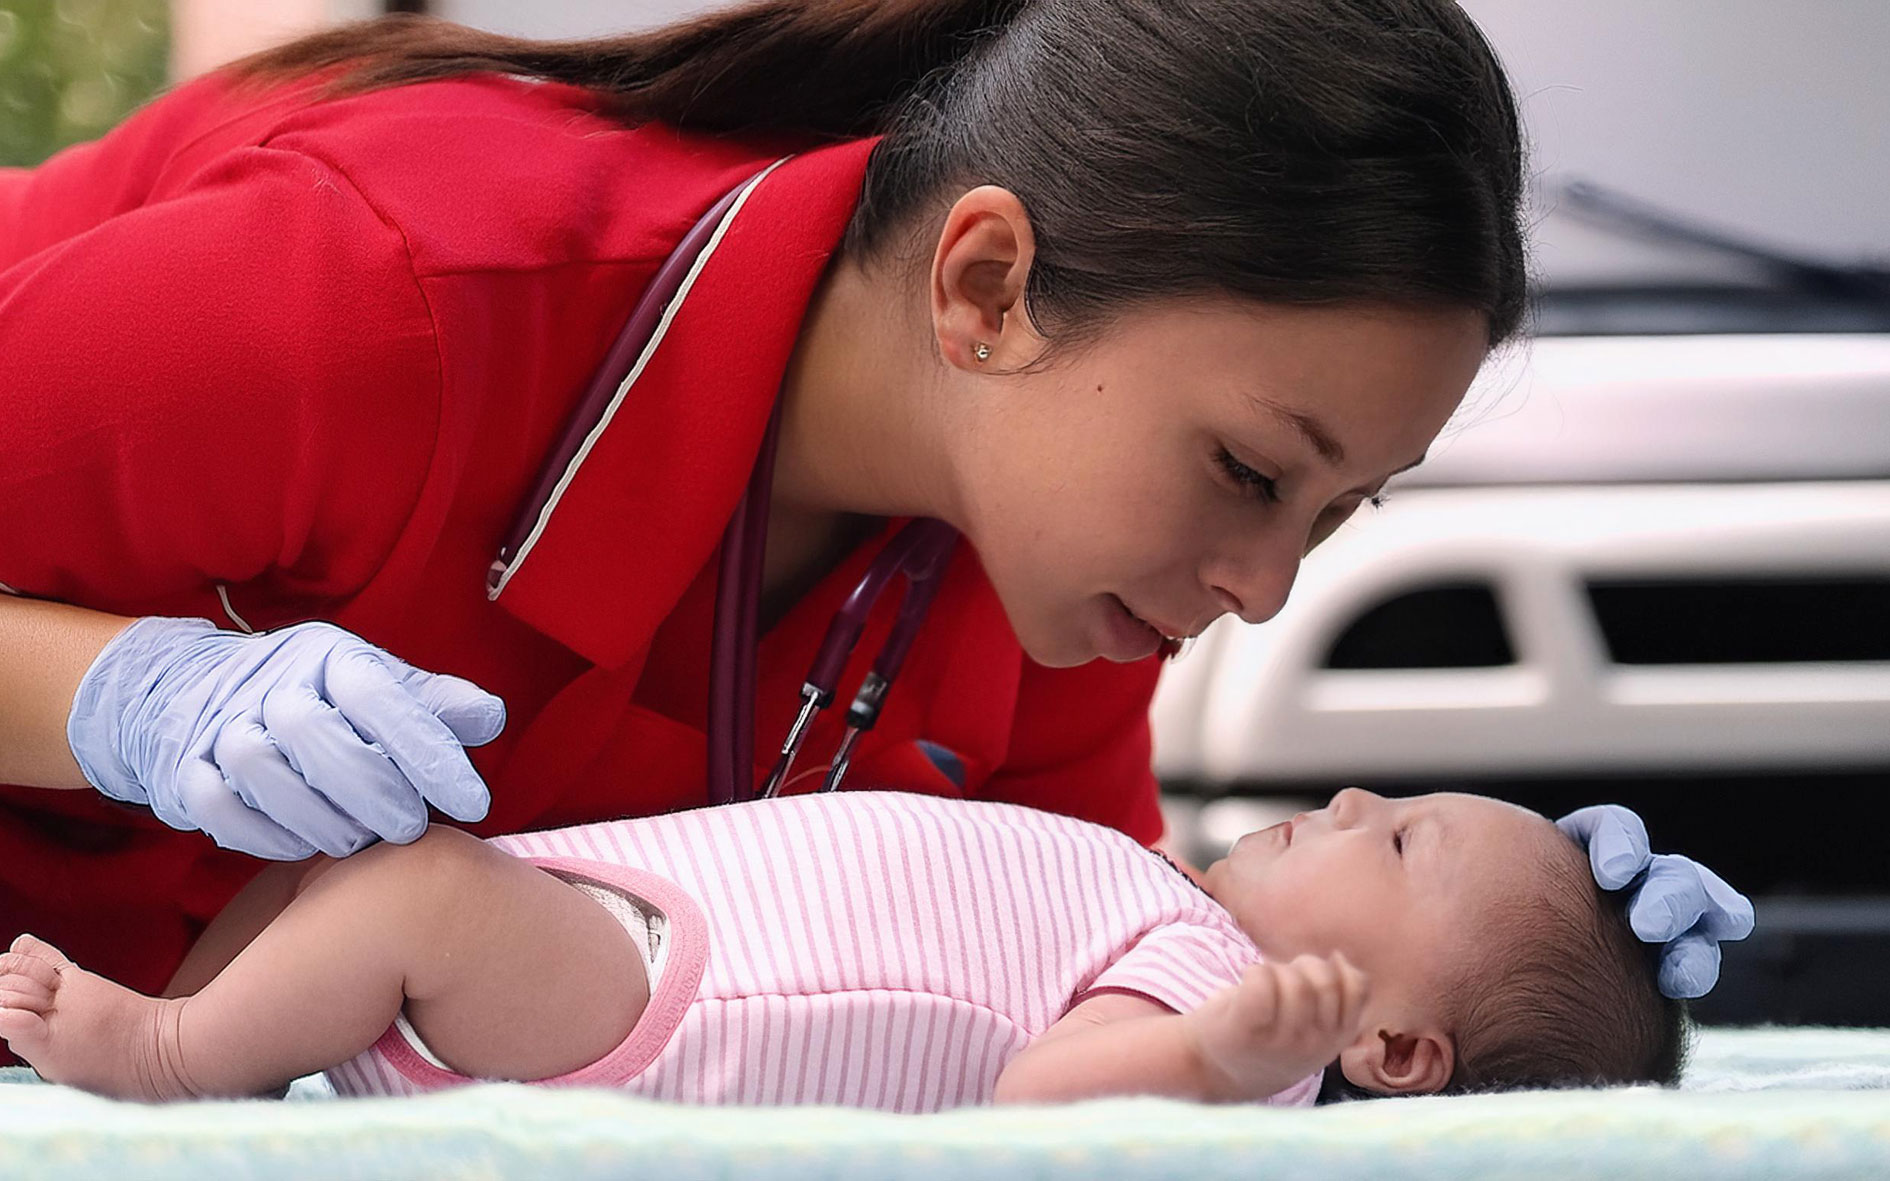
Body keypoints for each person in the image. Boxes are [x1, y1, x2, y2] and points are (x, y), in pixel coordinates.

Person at [0, 0, 1740, 1026]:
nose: (1265, 589)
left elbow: (1101, 1000)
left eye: (1337, 512)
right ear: (985, 282)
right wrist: (119, 694)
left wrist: (1482, 969)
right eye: (1246, 471)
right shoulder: (380, 296)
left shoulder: (1044, 593)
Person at [0, 787, 1747, 1108]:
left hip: (662, 1004)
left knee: (414, 896)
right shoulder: (1166, 896)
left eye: (1397, 839)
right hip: (627, 926)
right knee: (365, 864)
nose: (1351, 796)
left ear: (1390, 1045)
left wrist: (1216, 1060)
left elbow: (1045, 1091)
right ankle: (205, 1023)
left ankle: (161, 1058)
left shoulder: (1226, 1018)